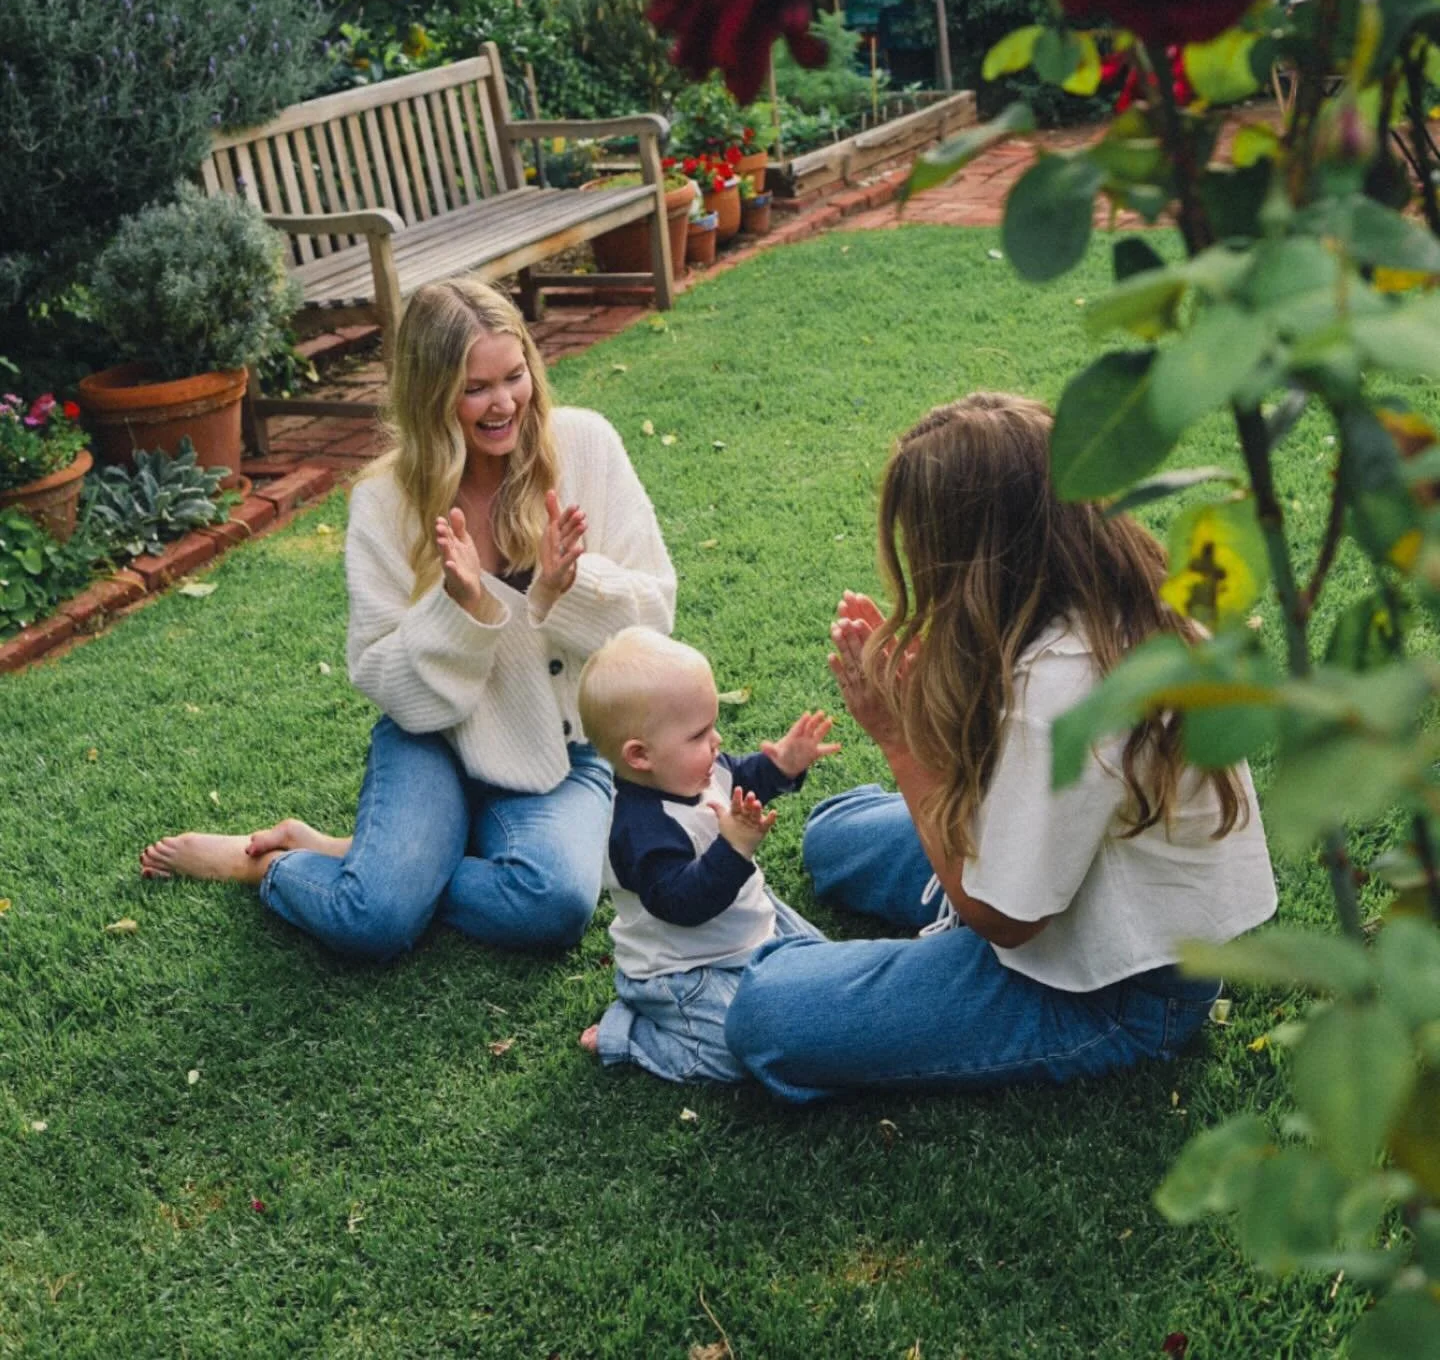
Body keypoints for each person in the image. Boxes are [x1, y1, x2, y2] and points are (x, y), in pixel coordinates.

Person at [725, 392, 1278, 1102]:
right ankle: (896, 969)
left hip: (1118, 990)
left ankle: (868, 986)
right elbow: (1001, 774)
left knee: (767, 1010)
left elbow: (1005, 922)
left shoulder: (1066, 690)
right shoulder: (1118, 596)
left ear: (977, 554)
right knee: (833, 835)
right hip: (1077, 888)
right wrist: (921, 698)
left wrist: (897, 740)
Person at [140, 277, 676, 960]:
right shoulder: (383, 503)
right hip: (439, 743)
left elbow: (653, 618)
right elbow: (383, 676)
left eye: (516, 376)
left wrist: (564, 588)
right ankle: (269, 865)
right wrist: (461, 611)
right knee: (374, 921)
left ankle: (348, 851)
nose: (504, 402)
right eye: (475, 387)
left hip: (562, 754)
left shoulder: (586, 445)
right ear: (429, 394)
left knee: (556, 904)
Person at [575, 626, 839, 1082]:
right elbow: (683, 904)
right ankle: (632, 1032)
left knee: (829, 975)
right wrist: (734, 848)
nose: (716, 742)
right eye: (699, 734)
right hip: (685, 970)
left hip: (751, 923)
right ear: (640, 756)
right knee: (745, 1053)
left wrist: (780, 767)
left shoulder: (696, 769)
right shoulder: (639, 830)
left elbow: (740, 776)